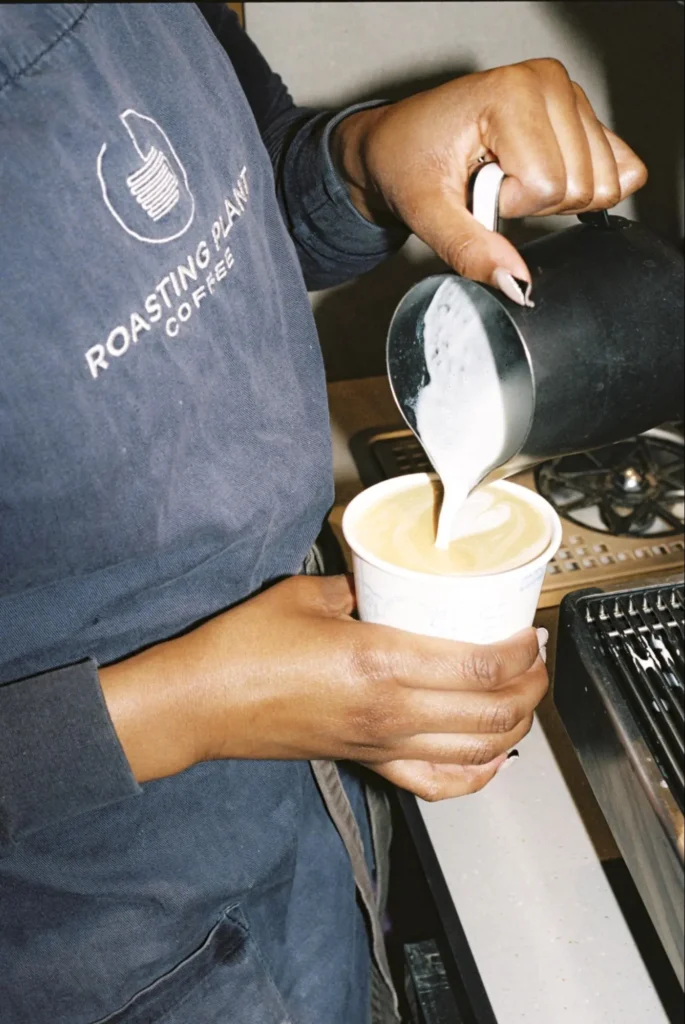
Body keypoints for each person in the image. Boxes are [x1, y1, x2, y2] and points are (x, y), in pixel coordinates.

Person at [0, 4, 647, 1023]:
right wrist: (184, 706)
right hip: (78, 952)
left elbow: (213, 187)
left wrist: (359, 161)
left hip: (315, 831)